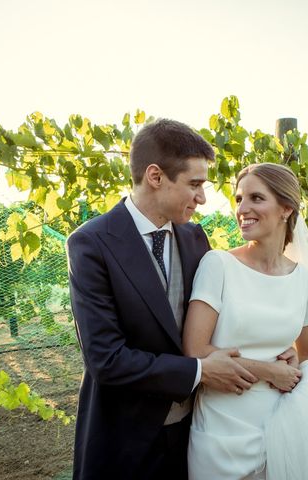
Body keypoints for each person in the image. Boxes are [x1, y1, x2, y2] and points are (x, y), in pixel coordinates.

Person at [66, 120, 296, 480]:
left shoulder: (194, 239)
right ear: (156, 176)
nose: (202, 197)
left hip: (194, 434)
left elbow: (215, 324)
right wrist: (201, 371)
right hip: (127, 439)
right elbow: (106, 359)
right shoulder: (92, 244)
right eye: (194, 184)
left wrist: (277, 350)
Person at [184, 162, 308, 479]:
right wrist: (270, 371)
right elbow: (195, 351)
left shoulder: (302, 280)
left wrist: (299, 367)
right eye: (239, 199)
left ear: (286, 209)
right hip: (222, 429)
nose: (243, 209)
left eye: (256, 198)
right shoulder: (218, 265)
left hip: (285, 425)